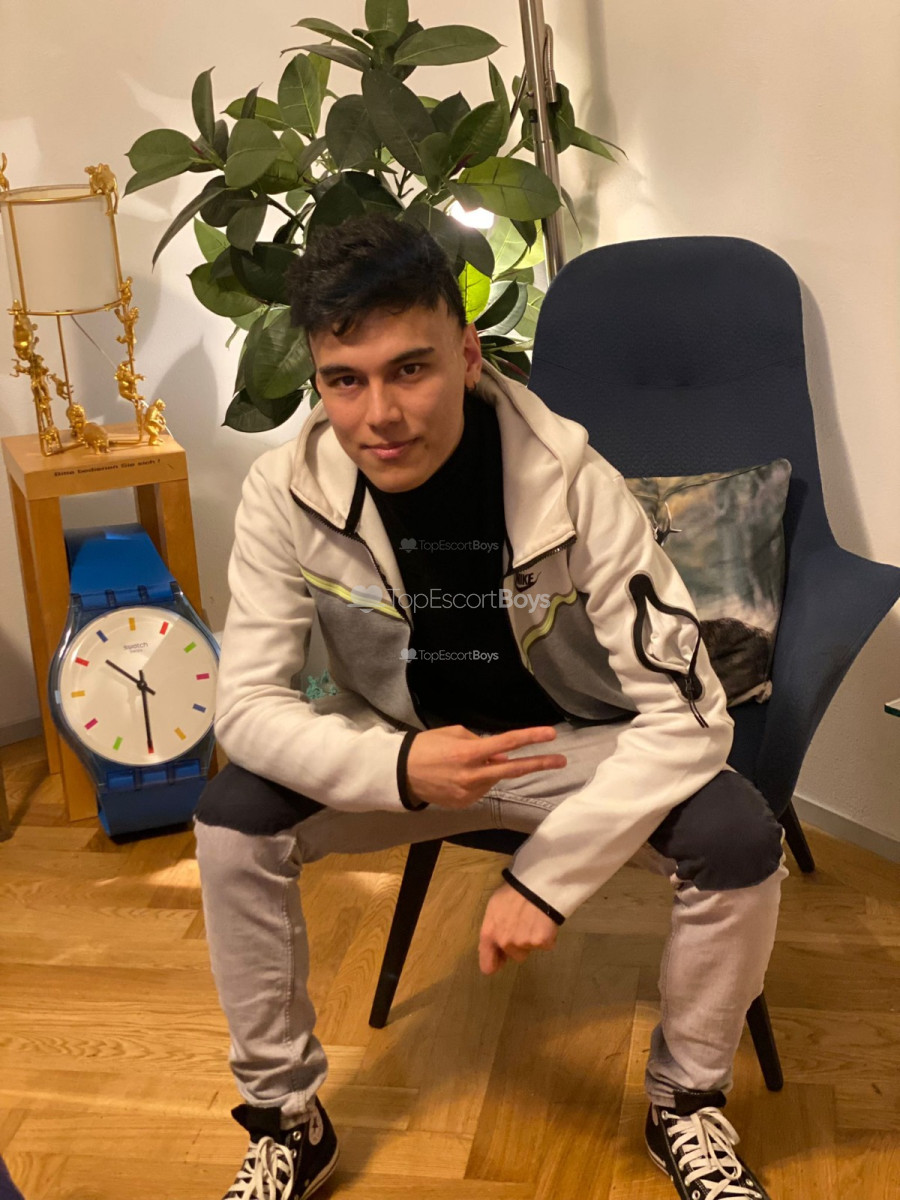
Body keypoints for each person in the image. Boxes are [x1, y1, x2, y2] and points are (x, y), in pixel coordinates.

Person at [195, 214, 787, 1200]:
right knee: (230, 823)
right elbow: (246, 709)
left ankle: (686, 1105)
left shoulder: (575, 482)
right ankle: (286, 1119)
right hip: (401, 752)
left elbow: (691, 716)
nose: (380, 414)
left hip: (577, 747)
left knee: (737, 838)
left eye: (410, 369)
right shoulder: (283, 492)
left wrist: (545, 879)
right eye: (345, 380)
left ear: (467, 355)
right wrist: (396, 766)